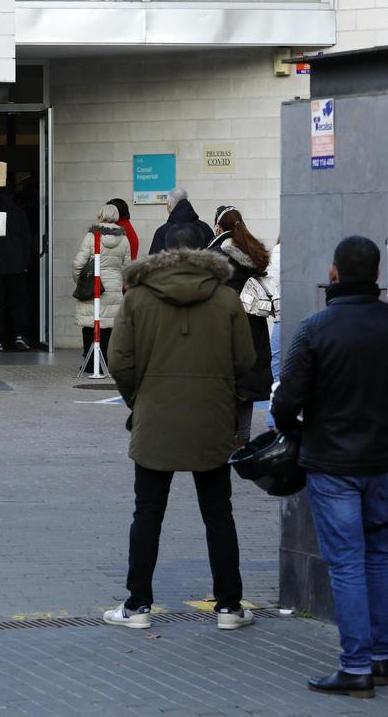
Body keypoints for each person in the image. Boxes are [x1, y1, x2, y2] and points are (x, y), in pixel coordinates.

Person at [272, 236, 388, 699]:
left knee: (346, 563)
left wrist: (301, 427)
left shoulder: (315, 328)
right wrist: (385, 410)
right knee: (378, 555)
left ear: (334, 272)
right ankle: (382, 658)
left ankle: (356, 666)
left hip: (332, 463)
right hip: (383, 460)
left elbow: (287, 400)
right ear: (377, 272)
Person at [105, 223, 257, 631]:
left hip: (155, 419)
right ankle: (229, 607)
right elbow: (246, 362)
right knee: (218, 513)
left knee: (148, 512)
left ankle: (138, 606)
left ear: (162, 253)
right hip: (212, 420)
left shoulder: (137, 299)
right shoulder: (227, 299)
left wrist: (140, 398)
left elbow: (118, 361)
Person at [208, 207, 273, 446]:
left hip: (226, 323)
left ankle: (226, 433)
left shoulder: (218, 254)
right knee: (246, 382)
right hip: (253, 324)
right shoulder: (253, 250)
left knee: (226, 380)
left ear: (218, 227)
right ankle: (243, 436)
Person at [73, 204, 130, 373]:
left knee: (90, 324)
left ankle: (91, 363)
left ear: (100, 216)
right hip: (114, 287)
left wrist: (81, 281)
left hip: (94, 286)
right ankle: (107, 361)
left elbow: (78, 263)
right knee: (110, 326)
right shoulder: (124, 238)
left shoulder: (92, 236)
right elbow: (127, 266)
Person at [0, 188, 34, 352]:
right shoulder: (19, 213)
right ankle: (19, 335)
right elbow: (27, 240)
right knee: (18, 304)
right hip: (17, 265)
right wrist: (26, 263)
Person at [147, 187, 214, 254]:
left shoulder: (162, 232)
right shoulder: (205, 228)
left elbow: (153, 260)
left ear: (169, 206)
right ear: (189, 203)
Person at [265, 239, 282, 429]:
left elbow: (272, 282)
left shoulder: (278, 250)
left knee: (276, 369)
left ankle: (273, 421)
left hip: (282, 316)